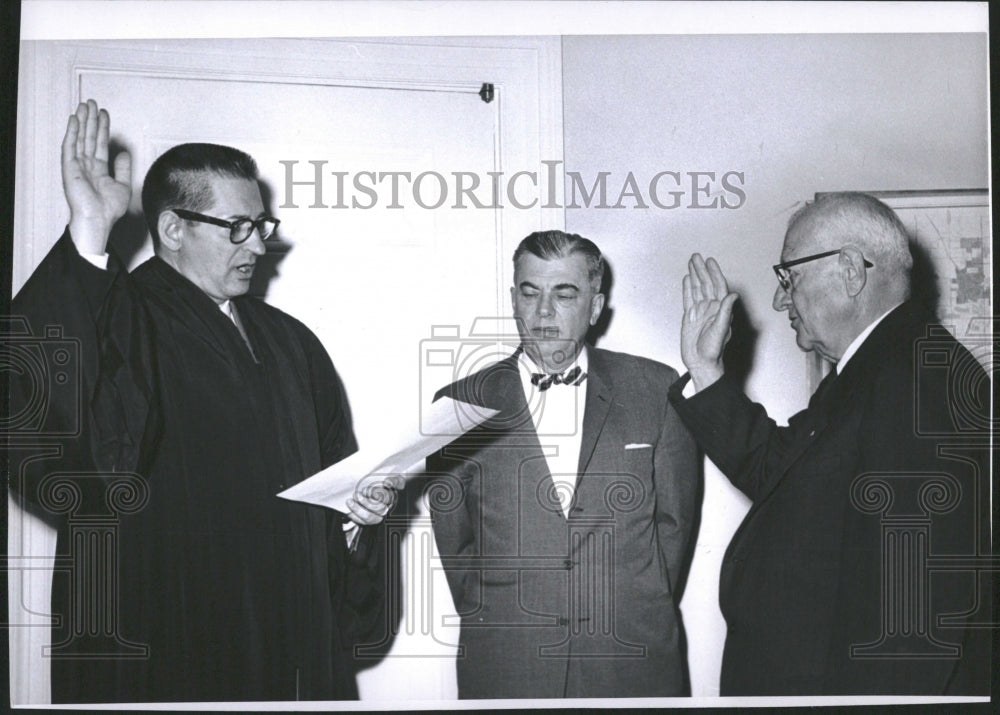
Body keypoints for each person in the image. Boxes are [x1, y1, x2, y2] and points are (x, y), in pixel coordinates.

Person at [9, 100, 400, 702]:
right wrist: (88, 233)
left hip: (291, 642)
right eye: (237, 227)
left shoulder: (292, 341)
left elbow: (333, 480)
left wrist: (358, 516)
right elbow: (44, 436)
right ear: (174, 229)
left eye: (260, 226)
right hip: (168, 638)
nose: (259, 246)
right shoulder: (115, 315)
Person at [669, 192, 990, 695]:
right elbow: (779, 471)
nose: (779, 300)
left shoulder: (913, 382)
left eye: (789, 278)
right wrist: (706, 371)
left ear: (850, 271)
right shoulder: (879, 369)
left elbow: (911, 629)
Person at [427, 230, 700, 698]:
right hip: (508, 667)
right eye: (530, 293)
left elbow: (674, 529)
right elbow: (458, 549)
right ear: (514, 299)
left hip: (631, 663)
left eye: (564, 294)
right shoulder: (458, 406)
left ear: (595, 307)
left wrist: (633, 606)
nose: (544, 312)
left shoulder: (656, 389)